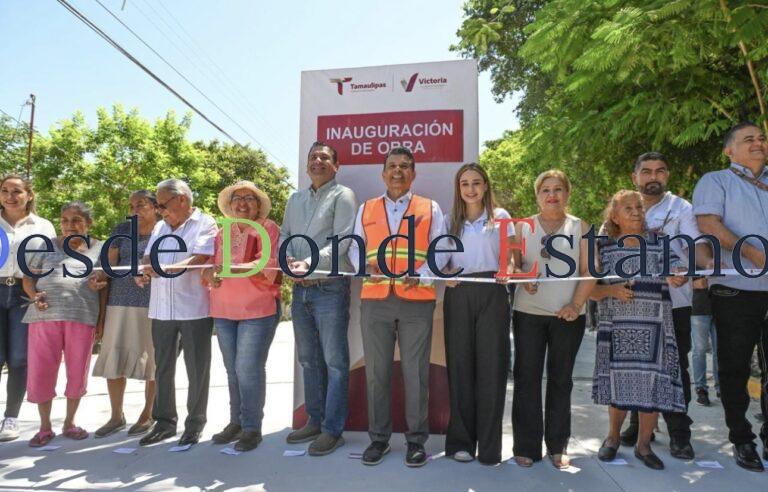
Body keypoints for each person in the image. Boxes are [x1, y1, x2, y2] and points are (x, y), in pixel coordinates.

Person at [348, 146, 448, 467]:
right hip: (375, 299)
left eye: (405, 166)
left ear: (413, 173)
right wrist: (366, 266)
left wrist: (423, 273)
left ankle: (416, 441)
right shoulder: (366, 208)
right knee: (376, 372)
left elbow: (441, 249)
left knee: (415, 373)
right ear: (383, 172)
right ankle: (379, 439)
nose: (398, 171)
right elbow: (354, 248)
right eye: (392, 166)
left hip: (416, 300)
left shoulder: (429, 207)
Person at [592, 190, 687, 470]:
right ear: (614, 215)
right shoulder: (603, 246)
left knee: (652, 387)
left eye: (639, 207)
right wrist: (611, 289)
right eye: (628, 208)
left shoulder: (659, 242)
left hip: (655, 324)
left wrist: (677, 276)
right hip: (617, 325)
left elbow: (674, 270)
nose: (635, 212)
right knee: (619, 384)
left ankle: (644, 445)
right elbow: (588, 288)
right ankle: (612, 439)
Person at [619, 152, 704, 460]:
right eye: (646, 171)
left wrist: (690, 271)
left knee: (675, 368)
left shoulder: (682, 208)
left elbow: (696, 246)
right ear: (635, 177)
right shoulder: (623, 207)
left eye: (660, 171)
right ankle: (639, 425)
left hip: (674, 301)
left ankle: (680, 433)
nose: (653, 176)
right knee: (636, 366)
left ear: (667, 175)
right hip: (635, 303)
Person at [693, 121, 768, 471]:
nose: (758, 143)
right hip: (737, 288)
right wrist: (755, 255)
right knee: (734, 368)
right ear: (729, 150)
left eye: (762, 138)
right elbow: (709, 225)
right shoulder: (716, 180)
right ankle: (742, 438)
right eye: (748, 139)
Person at [511, 170, 595, 469]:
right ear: (537, 195)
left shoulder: (581, 227)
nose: (552, 194)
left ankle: (558, 445)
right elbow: (513, 263)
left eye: (558, 189)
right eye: (545, 189)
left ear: (567, 193)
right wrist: (523, 279)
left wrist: (575, 304)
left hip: (568, 317)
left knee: (561, 381)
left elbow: (589, 271)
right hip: (528, 314)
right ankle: (525, 446)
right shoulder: (522, 228)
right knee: (526, 379)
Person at [279, 142, 357, 456]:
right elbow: (284, 235)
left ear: (336, 166)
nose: (317, 161)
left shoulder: (343, 196)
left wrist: (308, 262)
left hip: (330, 287)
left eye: (324, 157)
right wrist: (288, 262)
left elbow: (343, 240)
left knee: (335, 362)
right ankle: (314, 419)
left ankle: (332, 430)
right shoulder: (295, 199)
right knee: (308, 360)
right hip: (301, 290)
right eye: (313, 157)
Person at [136, 179, 217, 448]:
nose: (160, 211)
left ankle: (194, 425)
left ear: (181, 199)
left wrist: (166, 270)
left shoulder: (205, 223)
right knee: (163, 368)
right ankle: (164, 422)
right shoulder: (160, 227)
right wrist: (144, 271)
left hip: (193, 307)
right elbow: (148, 257)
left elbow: (200, 259)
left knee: (197, 369)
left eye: (162, 205)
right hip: (160, 308)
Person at [202, 181, 281, 452]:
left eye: (250, 198)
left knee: (247, 369)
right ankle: (235, 422)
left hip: (257, 309)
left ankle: (251, 428)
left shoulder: (268, 228)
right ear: (230, 204)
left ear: (258, 205)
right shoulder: (222, 232)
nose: (243, 203)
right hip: (223, 309)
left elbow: (265, 265)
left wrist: (225, 269)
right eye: (238, 198)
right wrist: (210, 272)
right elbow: (210, 266)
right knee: (232, 369)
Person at [441, 163, 512, 465]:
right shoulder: (448, 221)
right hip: (459, 293)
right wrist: (444, 273)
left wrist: (510, 270)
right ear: (458, 189)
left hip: (493, 293)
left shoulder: (502, 218)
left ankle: (491, 448)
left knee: (492, 369)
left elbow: (512, 258)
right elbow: (440, 261)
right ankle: (462, 443)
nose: (470, 189)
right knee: (460, 368)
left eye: (476, 183)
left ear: (485, 186)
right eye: (464, 184)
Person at [21, 202, 105, 447]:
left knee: (77, 372)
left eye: (77, 220)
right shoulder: (46, 246)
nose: (70, 225)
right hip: (43, 318)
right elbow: (28, 278)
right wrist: (35, 296)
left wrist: (101, 320)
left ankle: (70, 423)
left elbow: (102, 285)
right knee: (41, 372)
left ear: (88, 224)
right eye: (65, 220)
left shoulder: (99, 249)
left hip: (82, 317)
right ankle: (44, 427)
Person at [90, 191, 159, 437]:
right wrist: (97, 278)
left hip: (154, 304)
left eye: (140, 204)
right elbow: (106, 266)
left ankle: (148, 413)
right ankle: (116, 416)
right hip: (118, 302)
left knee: (154, 359)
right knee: (114, 358)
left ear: (155, 206)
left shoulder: (164, 229)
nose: (134, 209)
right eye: (131, 205)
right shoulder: (122, 229)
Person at [0, 175, 56, 442]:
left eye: (17, 191)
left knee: (20, 358)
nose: (10, 196)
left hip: (26, 292)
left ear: (29, 195)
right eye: (5, 190)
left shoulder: (43, 226)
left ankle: (11, 417)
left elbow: (51, 263)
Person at [690, 277, 719, 406]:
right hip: (699, 308)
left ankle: (721, 388)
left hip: (722, 308)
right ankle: (701, 389)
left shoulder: (723, 257)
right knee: (699, 350)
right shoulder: (694, 259)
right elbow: (697, 284)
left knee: (720, 350)